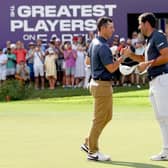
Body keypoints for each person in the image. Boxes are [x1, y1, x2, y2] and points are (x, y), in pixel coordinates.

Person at [122, 12, 168, 161]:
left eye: (140, 23)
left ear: (147, 23)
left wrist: (147, 64)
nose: (139, 26)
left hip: (162, 80)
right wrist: (131, 56)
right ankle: (166, 151)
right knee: (161, 117)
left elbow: (166, 55)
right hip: (155, 82)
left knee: (166, 117)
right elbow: (145, 59)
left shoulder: (158, 36)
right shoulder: (149, 40)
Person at [81, 16, 124, 161]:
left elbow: (87, 61)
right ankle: (93, 152)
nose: (113, 30)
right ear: (103, 28)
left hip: (97, 83)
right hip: (102, 86)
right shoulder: (103, 46)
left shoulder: (94, 42)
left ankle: (88, 142)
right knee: (99, 119)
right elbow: (112, 68)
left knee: (107, 117)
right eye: (111, 27)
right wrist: (122, 57)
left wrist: (100, 63)